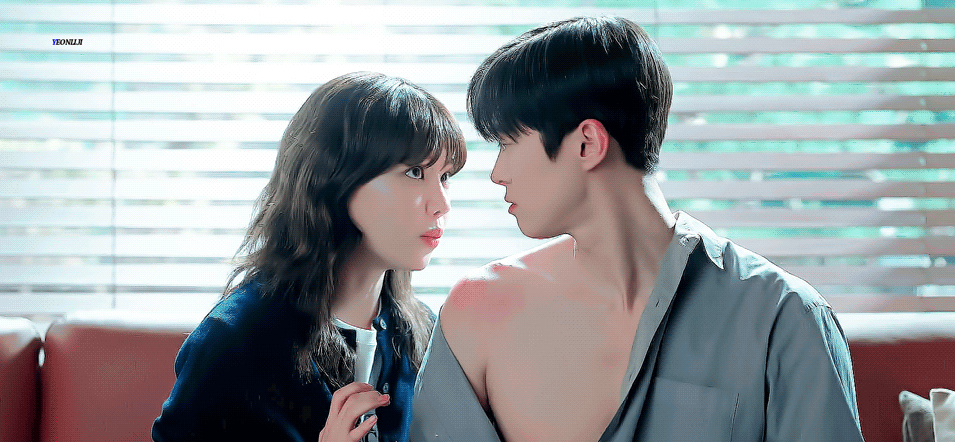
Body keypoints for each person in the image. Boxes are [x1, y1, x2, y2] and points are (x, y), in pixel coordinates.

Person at [410, 16, 865, 442]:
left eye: (508, 143)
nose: (497, 174)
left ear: (587, 144)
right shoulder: (477, 313)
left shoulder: (783, 317)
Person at [152, 71, 466, 442]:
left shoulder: (423, 332)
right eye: (415, 172)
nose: (442, 204)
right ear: (335, 176)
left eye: (445, 176)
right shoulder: (235, 340)